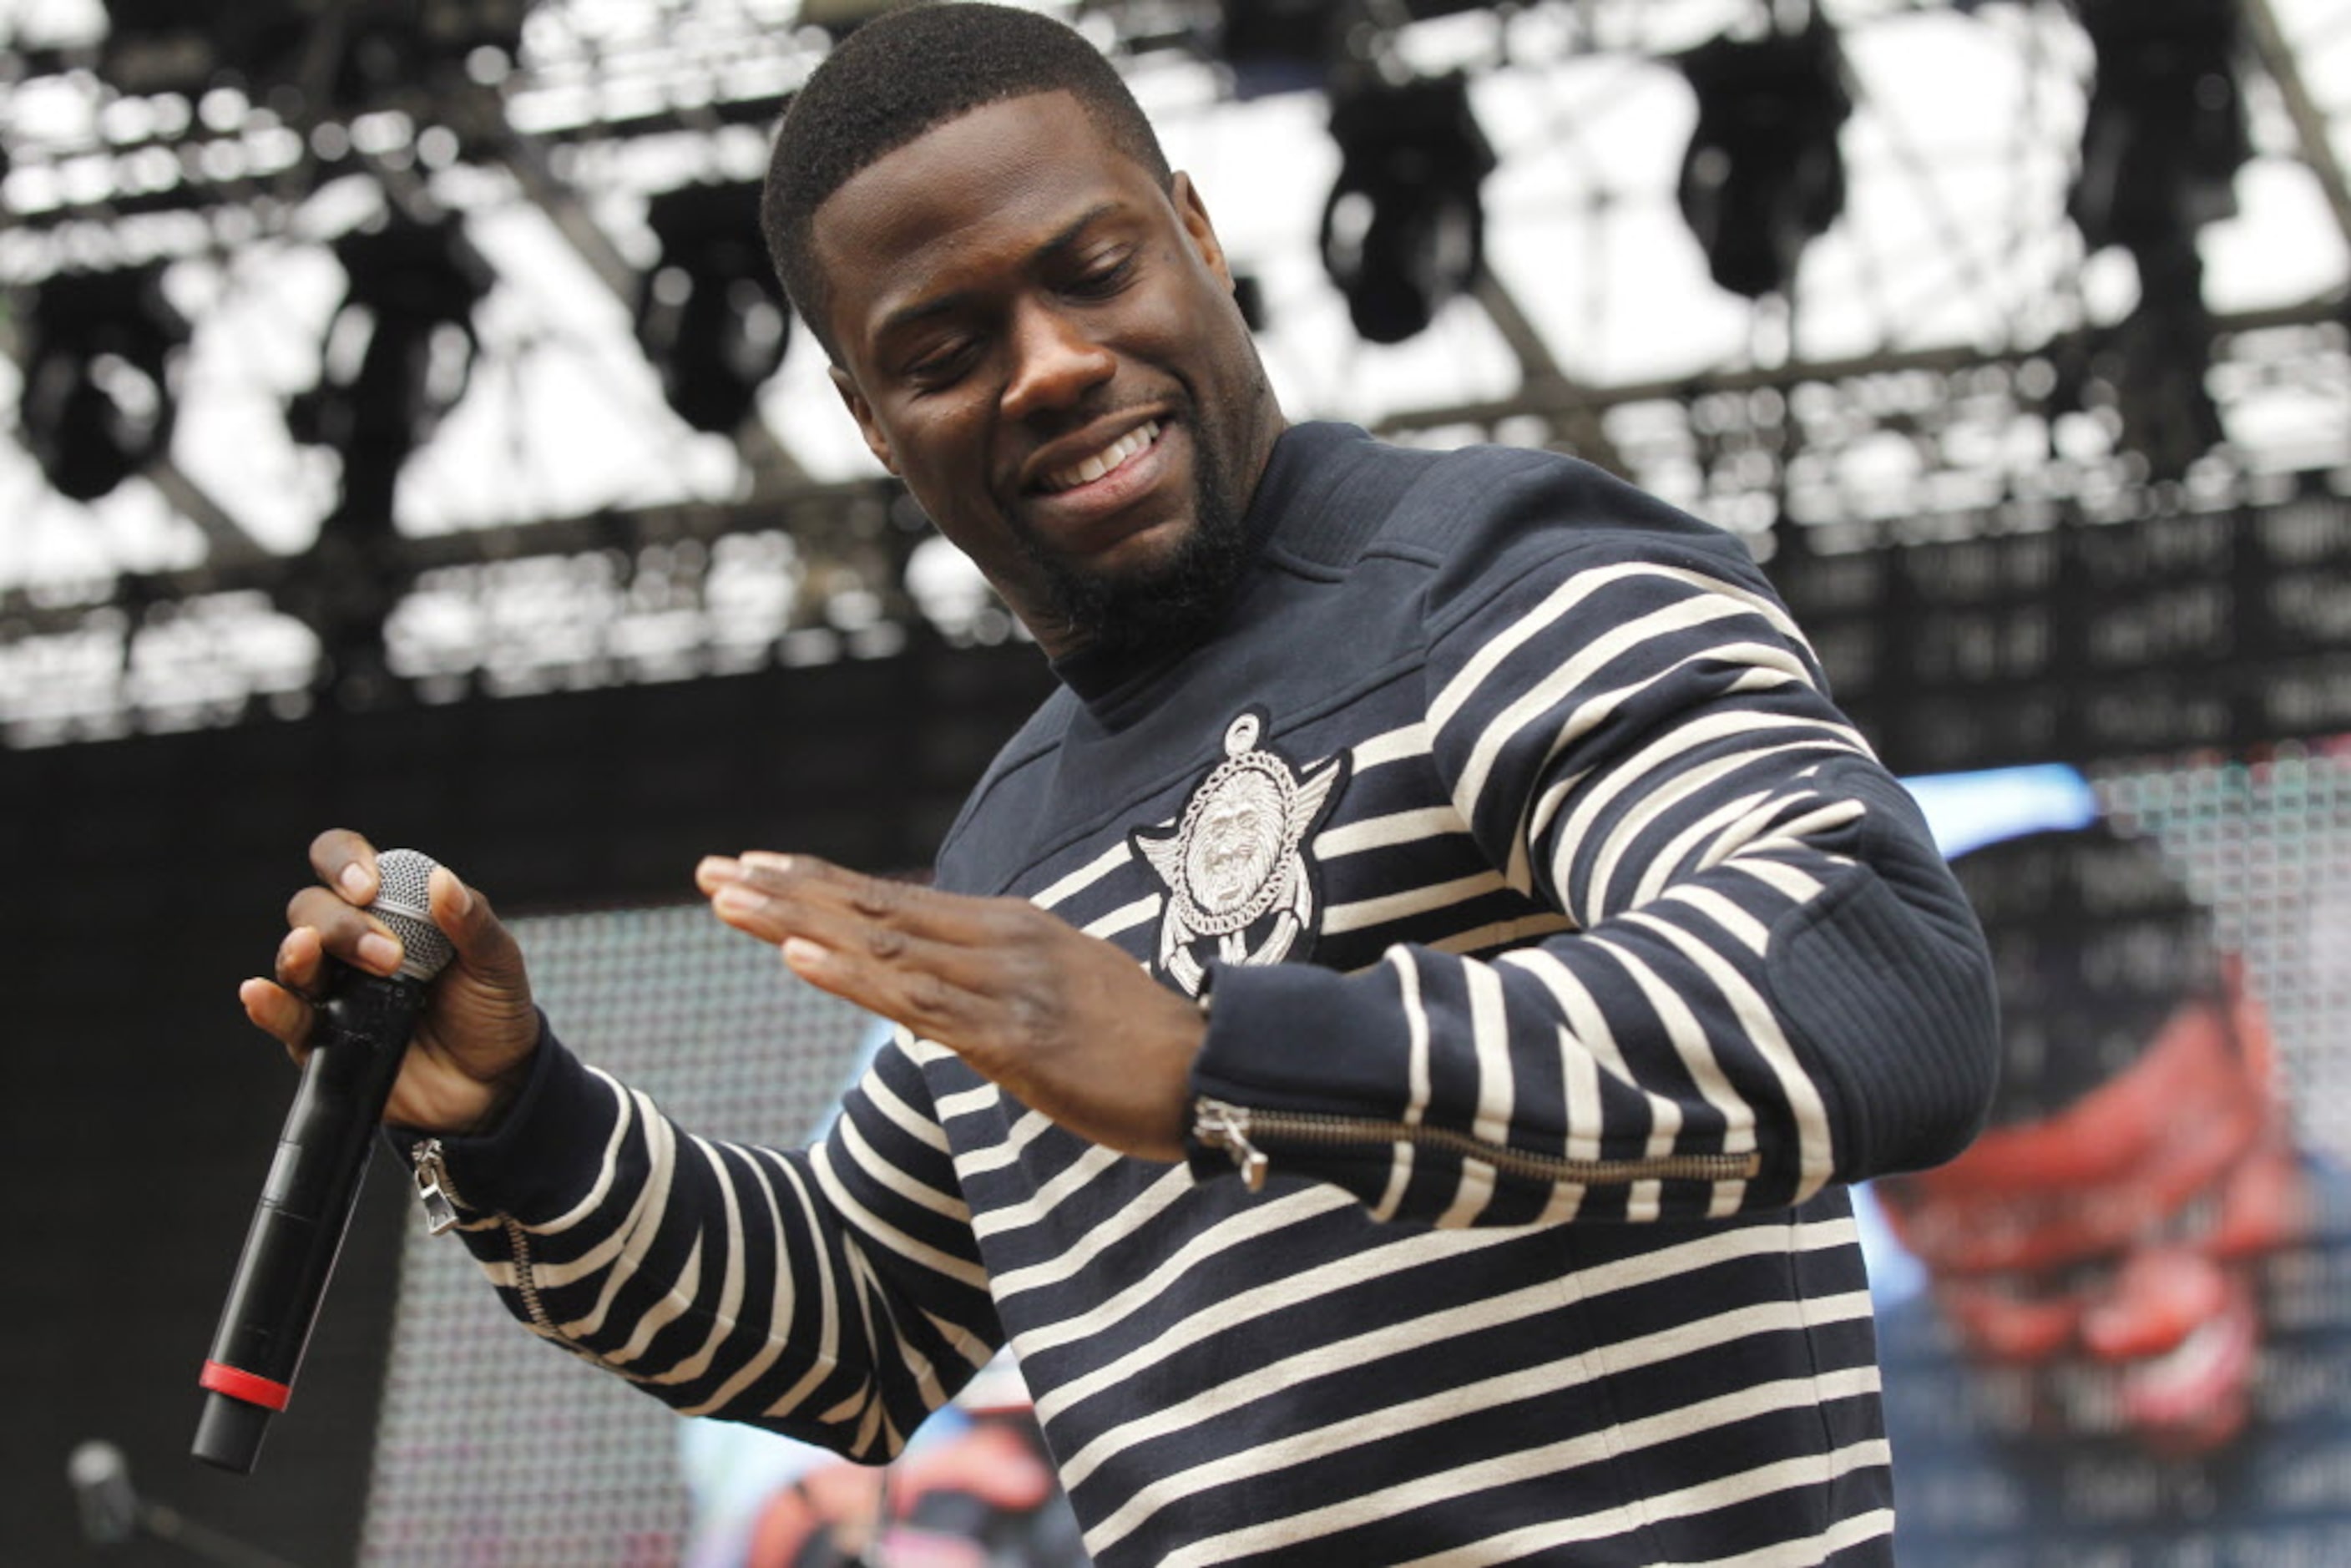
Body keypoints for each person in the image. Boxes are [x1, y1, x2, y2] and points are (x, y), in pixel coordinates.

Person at [239, 6, 2000, 1561]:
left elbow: (1868, 973)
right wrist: (517, 1114)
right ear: (869, 418)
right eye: (945, 350)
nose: (1056, 363)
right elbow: (854, 1325)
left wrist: (1220, 1065)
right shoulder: (1012, 836)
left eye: (1092, 271)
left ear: (1199, 237)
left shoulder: (1492, 575)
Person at [1871, 818, 2351, 1565]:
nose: (2162, 1317)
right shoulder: (1830, 1473)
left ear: (2256, 1043)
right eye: (2058, 1276)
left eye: (2201, 1208)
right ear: (1902, 1220)